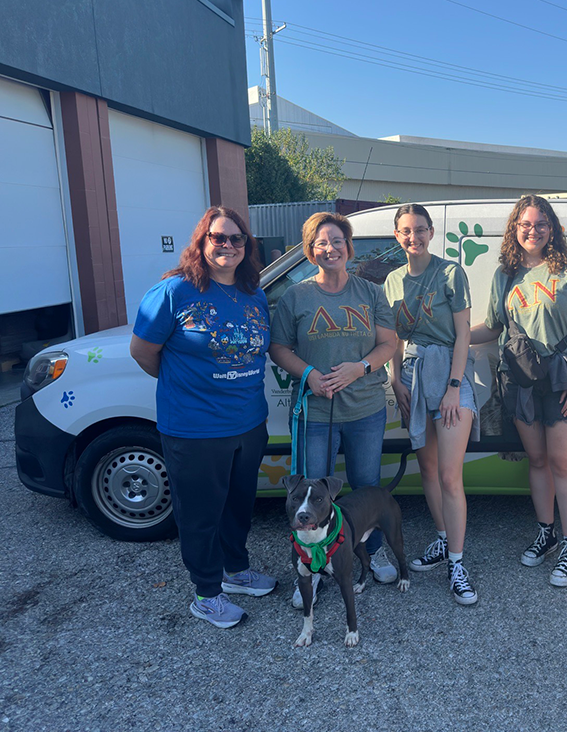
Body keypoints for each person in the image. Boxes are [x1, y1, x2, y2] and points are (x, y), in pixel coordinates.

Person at [130, 206, 274, 629]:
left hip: (249, 422)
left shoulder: (253, 293)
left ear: (246, 245)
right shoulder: (174, 291)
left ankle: (236, 572)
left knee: (238, 506)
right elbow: (143, 351)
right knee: (200, 514)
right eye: (218, 237)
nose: (228, 245)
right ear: (202, 241)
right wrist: (186, 385)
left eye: (236, 238)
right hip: (195, 428)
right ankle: (207, 594)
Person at [470, 195, 567, 587]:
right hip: (522, 382)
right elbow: (493, 326)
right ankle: (546, 534)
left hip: (565, 380)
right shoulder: (505, 274)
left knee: (563, 462)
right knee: (538, 460)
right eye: (526, 224)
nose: (533, 231)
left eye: (541, 224)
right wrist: (452, 333)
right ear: (515, 228)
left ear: (552, 228)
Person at [269, 211, 398, 607]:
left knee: (366, 487)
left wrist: (360, 367)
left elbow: (388, 344)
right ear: (311, 251)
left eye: (337, 241)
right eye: (321, 243)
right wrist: (308, 374)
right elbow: (278, 348)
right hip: (314, 412)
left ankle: (372, 552)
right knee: (309, 495)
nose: (330, 248)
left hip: (365, 409)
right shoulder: (296, 296)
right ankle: (310, 566)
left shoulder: (370, 292)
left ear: (348, 246)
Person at [384, 204, 480, 605]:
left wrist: (454, 387)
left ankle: (457, 563)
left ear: (431, 232)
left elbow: (463, 334)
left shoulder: (450, 273)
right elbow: (393, 338)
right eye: (406, 231)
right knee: (427, 467)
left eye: (420, 229)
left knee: (449, 475)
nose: (414, 237)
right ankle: (442, 539)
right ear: (397, 236)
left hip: (449, 374)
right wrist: (395, 380)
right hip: (413, 376)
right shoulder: (392, 280)